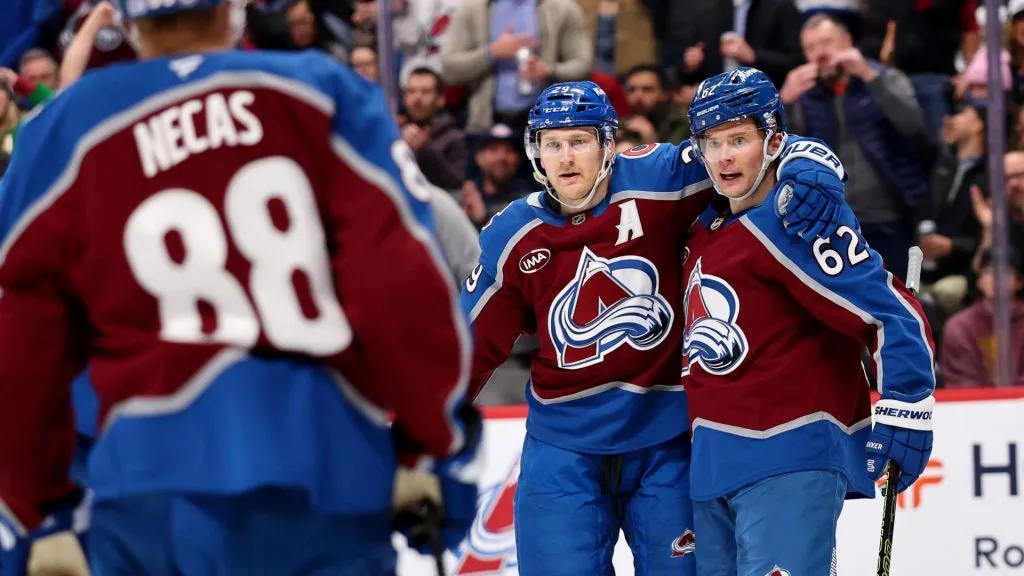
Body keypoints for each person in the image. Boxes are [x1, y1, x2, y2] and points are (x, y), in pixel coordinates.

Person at [0, 0, 481, 573]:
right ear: (233, 9)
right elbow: (400, 282)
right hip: (324, 464)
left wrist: (39, 508)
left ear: (128, 19)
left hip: (146, 484)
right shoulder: (322, 90)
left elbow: (23, 339)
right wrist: (431, 442)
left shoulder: (63, 126)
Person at [460, 78, 848, 575]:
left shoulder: (658, 176)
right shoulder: (512, 234)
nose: (565, 158)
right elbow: (464, 349)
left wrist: (810, 162)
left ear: (608, 144)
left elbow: (744, 147)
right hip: (563, 446)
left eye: (578, 141)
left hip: (667, 438)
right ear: (535, 152)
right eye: (552, 145)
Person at [680, 68, 936, 575]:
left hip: (789, 457)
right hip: (711, 467)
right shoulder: (703, 229)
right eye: (712, 142)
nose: (725, 155)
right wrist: (812, 151)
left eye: (739, 139)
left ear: (773, 140)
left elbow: (888, 311)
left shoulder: (798, 216)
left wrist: (907, 400)